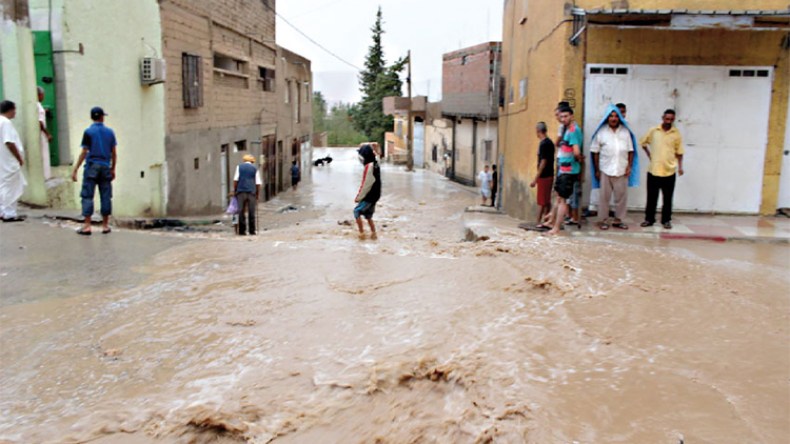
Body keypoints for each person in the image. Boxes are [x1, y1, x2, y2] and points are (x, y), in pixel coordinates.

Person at [71, 107, 117, 235]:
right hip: (105, 166)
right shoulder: (110, 132)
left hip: (92, 166)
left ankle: (87, 226)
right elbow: (114, 153)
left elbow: (84, 152)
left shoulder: (88, 132)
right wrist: (113, 168)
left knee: (87, 195)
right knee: (106, 195)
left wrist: (75, 169)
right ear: (102, 117)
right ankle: (105, 225)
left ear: (92, 117)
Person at [590, 106, 634, 230]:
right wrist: (597, 170)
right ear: (607, 118)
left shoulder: (625, 132)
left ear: (619, 118)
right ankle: (603, 220)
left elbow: (631, 150)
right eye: (611, 116)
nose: (613, 118)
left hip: (621, 169)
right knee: (604, 197)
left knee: (621, 197)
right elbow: (595, 151)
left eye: (616, 116)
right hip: (605, 169)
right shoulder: (601, 132)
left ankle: (618, 220)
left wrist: (629, 166)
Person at [640, 109, 684, 229]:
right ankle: (649, 219)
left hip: (669, 171)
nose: (668, 121)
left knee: (668, 198)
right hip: (654, 170)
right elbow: (643, 142)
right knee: (651, 198)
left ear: (673, 120)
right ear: (662, 118)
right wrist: (649, 155)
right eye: (667, 118)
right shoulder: (654, 131)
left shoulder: (676, 134)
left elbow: (679, 152)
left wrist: (680, 167)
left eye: (671, 119)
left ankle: (666, 220)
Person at [548, 106, 583, 235]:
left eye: (566, 116)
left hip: (569, 170)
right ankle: (553, 223)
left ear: (572, 116)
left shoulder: (573, 131)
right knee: (559, 198)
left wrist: (578, 158)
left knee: (562, 200)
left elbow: (576, 151)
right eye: (561, 117)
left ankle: (556, 228)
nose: (563, 119)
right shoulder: (567, 130)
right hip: (564, 169)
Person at [0, 101, 27, 222]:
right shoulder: (5, 123)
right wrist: (19, 157)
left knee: (4, 184)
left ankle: (3, 211)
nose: (15, 113)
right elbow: (9, 142)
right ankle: (9, 213)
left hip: (2, 160)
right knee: (11, 186)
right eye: (14, 110)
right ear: (10, 110)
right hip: (8, 160)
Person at [530, 121, 554, 228]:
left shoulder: (544, 144)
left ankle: (538, 221)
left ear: (538, 131)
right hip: (550, 174)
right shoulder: (550, 143)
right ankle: (547, 220)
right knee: (547, 200)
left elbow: (543, 162)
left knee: (542, 201)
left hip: (544, 175)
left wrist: (536, 178)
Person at [354, 144, 381, 240]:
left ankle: (362, 234)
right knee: (368, 215)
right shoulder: (376, 164)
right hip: (376, 195)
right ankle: (374, 234)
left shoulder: (368, 167)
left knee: (356, 211)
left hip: (369, 195)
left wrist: (359, 197)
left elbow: (366, 184)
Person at [233, 154, 262, 236]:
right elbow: (258, 183)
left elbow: (235, 180)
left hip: (240, 192)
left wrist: (235, 191)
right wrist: (257, 194)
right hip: (251, 192)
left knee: (241, 212)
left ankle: (242, 231)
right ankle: (252, 231)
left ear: (244, 160)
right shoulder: (255, 169)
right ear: (252, 162)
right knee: (251, 212)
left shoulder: (239, 167)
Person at [37, 87, 53, 180]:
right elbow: (40, 122)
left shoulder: (37, 106)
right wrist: (47, 134)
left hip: (40, 135)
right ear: (39, 95)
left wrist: (44, 110)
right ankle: (45, 176)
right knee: (43, 154)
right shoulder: (38, 106)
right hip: (41, 135)